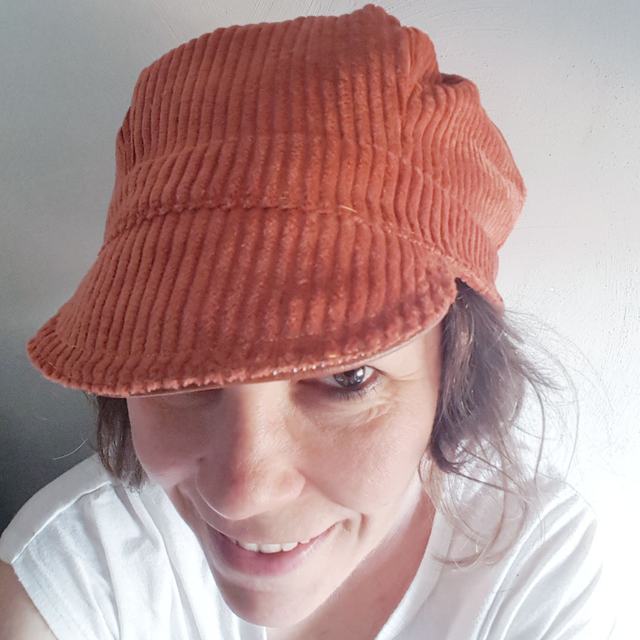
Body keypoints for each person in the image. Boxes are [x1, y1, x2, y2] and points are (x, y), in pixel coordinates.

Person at [0, 4, 614, 639]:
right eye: (181, 375)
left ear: (455, 372)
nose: (242, 493)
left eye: (347, 377)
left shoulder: (529, 562)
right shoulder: (77, 574)